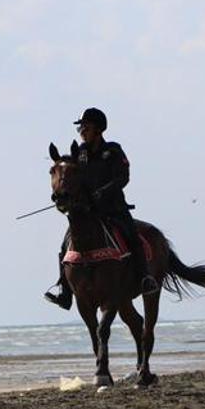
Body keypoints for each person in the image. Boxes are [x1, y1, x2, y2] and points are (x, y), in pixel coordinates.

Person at [44, 108, 159, 309]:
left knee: (132, 237)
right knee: (65, 245)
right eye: (80, 128)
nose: (81, 131)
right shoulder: (79, 154)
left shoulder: (113, 151)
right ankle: (64, 289)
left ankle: (145, 279)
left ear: (98, 129)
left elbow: (123, 177)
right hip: (89, 210)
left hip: (113, 208)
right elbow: (72, 177)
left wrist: (102, 192)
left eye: (85, 127)